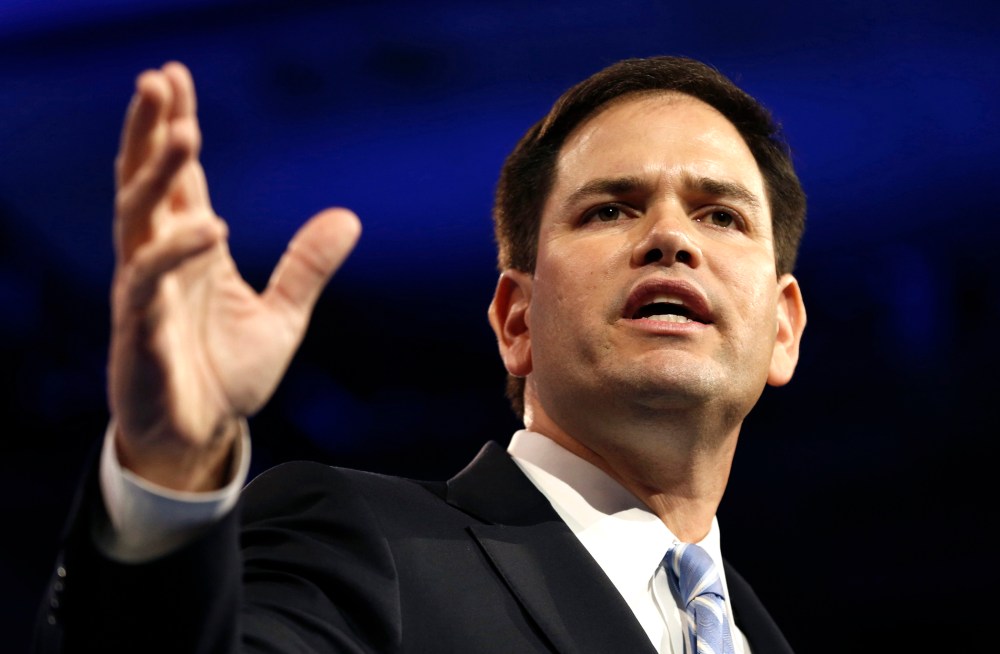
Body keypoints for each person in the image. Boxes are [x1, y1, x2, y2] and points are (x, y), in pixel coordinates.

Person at [34, 54, 807, 653]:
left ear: (782, 328)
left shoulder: (756, 635)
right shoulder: (365, 547)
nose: (670, 238)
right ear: (516, 322)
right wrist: (169, 471)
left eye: (721, 216)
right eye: (610, 209)